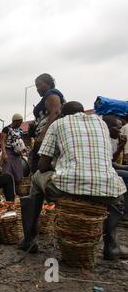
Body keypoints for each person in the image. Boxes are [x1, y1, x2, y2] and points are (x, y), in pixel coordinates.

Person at [20, 102, 128, 260]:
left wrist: (59, 166)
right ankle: (111, 245)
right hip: (108, 190)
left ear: (63, 114)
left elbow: (42, 166)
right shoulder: (101, 123)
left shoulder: (58, 123)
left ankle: (29, 240)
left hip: (67, 187)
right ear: (83, 112)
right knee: (118, 198)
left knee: (36, 178)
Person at [30, 73, 66, 172]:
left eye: (39, 85)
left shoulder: (52, 93)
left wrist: (43, 134)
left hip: (48, 138)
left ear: (48, 84)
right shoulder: (46, 97)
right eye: (36, 86)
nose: (37, 88)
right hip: (46, 137)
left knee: (41, 168)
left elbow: (55, 113)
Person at [0, 114, 25, 186]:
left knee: (18, 172)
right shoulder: (6, 129)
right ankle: (7, 188)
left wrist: (21, 153)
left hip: (17, 154)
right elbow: (2, 141)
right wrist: (4, 154)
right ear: (15, 121)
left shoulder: (20, 130)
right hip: (8, 152)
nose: (20, 123)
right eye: (20, 122)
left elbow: (20, 142)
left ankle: (16, 189)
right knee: (7, 171)